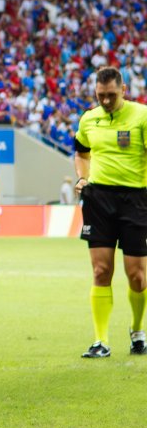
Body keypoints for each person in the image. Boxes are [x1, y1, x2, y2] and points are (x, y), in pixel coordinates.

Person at [73, 67, 147, 358]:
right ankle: (100, 340)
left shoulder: (142, 116)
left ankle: (137, 331)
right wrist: (82, 177)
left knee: (137, 276)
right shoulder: (89, 118)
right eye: (101, 96)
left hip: (136, 199)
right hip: (99, 199)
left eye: (111, 95)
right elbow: (81, 151)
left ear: (124, 90)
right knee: (101, 270)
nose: (105, 101)